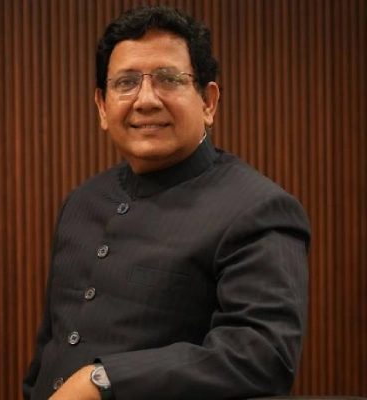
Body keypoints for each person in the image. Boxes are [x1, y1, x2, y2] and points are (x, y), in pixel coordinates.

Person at [23, 5, 310, 400]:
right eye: (126, 83)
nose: (145, 100)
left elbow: (262, 355)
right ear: (102, 107)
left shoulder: (257, 209)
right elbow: (50, 351)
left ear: (208, 102)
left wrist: (103, 380)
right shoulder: (81, 201)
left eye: (169, 79)